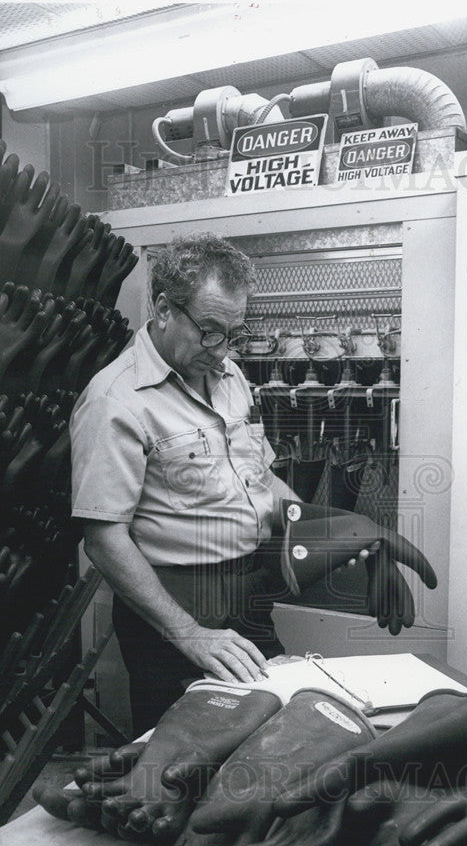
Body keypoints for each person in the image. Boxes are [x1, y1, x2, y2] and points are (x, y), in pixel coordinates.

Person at [70, 234, 305, 735]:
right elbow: (103, 538)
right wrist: (190, 634)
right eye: (210, 331)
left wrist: (329, 532)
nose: (222, 349)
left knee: (277, 729)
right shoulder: (115, 400)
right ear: (162, 309)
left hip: (249, 590)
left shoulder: (230, 375)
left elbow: (261, 477)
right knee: (181, 756)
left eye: (234, 332)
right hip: (173, 604)